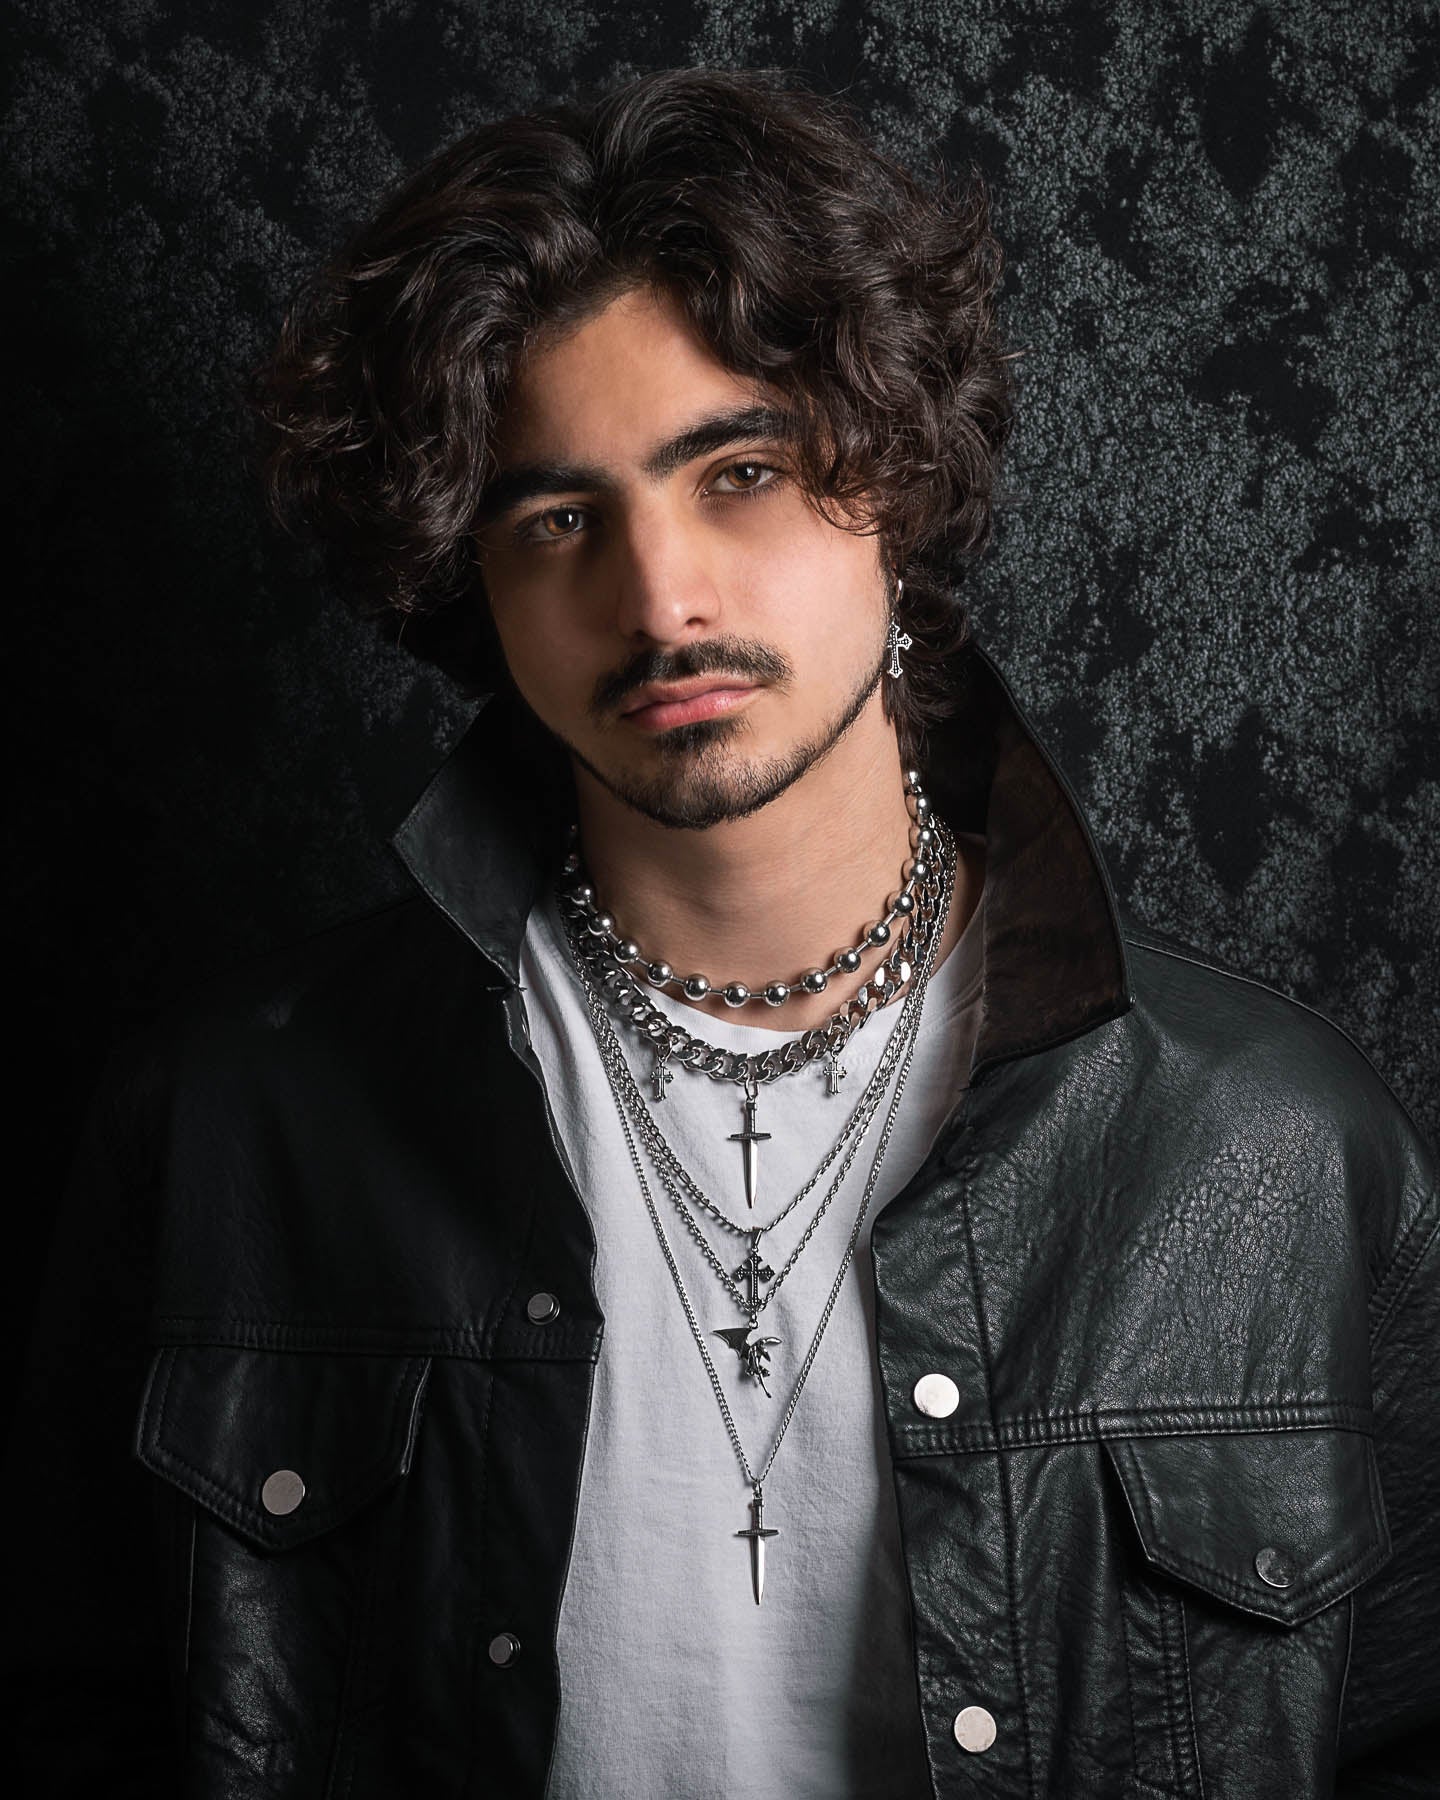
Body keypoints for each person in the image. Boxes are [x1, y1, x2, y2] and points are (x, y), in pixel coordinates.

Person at [5, 64, 1435, 1800]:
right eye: (558, 520)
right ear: (474, 581)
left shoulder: (1272, 1148)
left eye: (741, 471)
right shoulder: (235, 1125)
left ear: (895, 482)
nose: (660, 597)